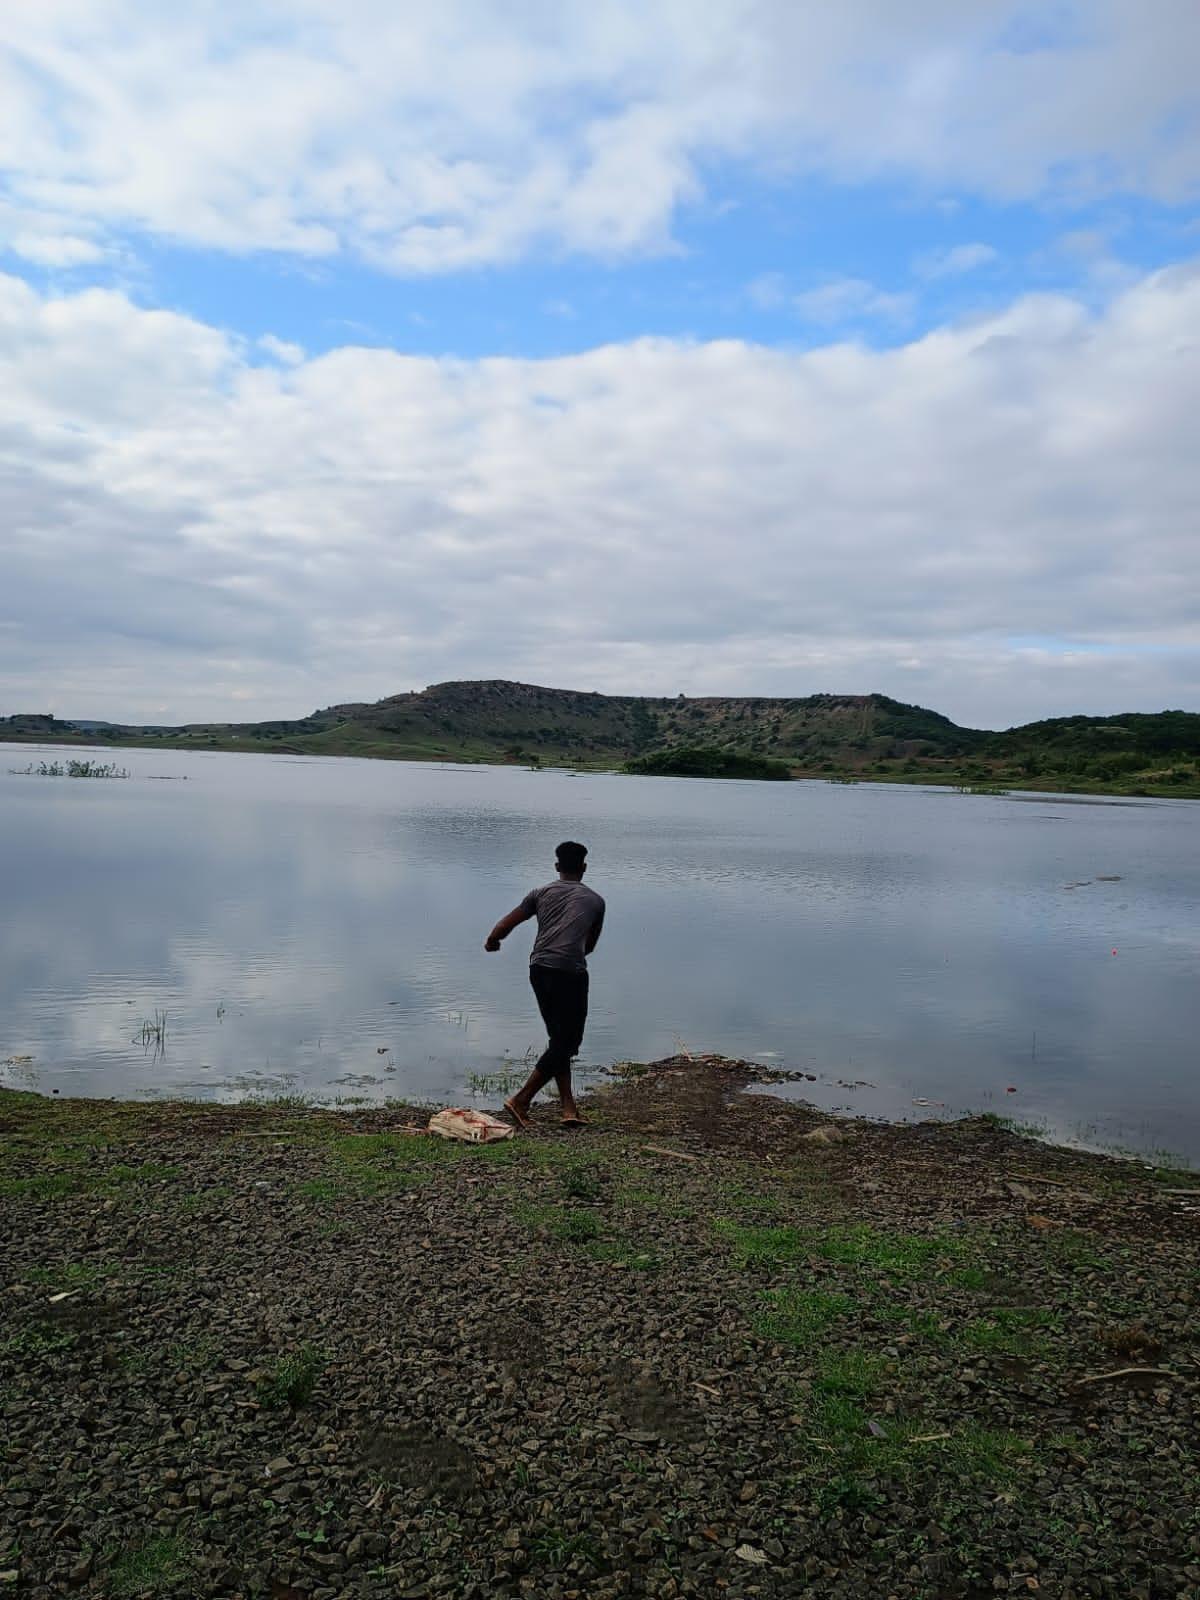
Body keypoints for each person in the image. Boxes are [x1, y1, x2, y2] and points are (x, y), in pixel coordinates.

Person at [484, 840, 605, 1129]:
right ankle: (521, 1100)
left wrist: (493, 940)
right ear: (584, 868)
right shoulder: (596, 902)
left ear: (557, 867)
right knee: (567, 1042)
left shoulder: (540, 893)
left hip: (539, 969)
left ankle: (568, 1108)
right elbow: (589, 946)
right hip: (571, 973)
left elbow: (506, 924)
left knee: (559, 1041)